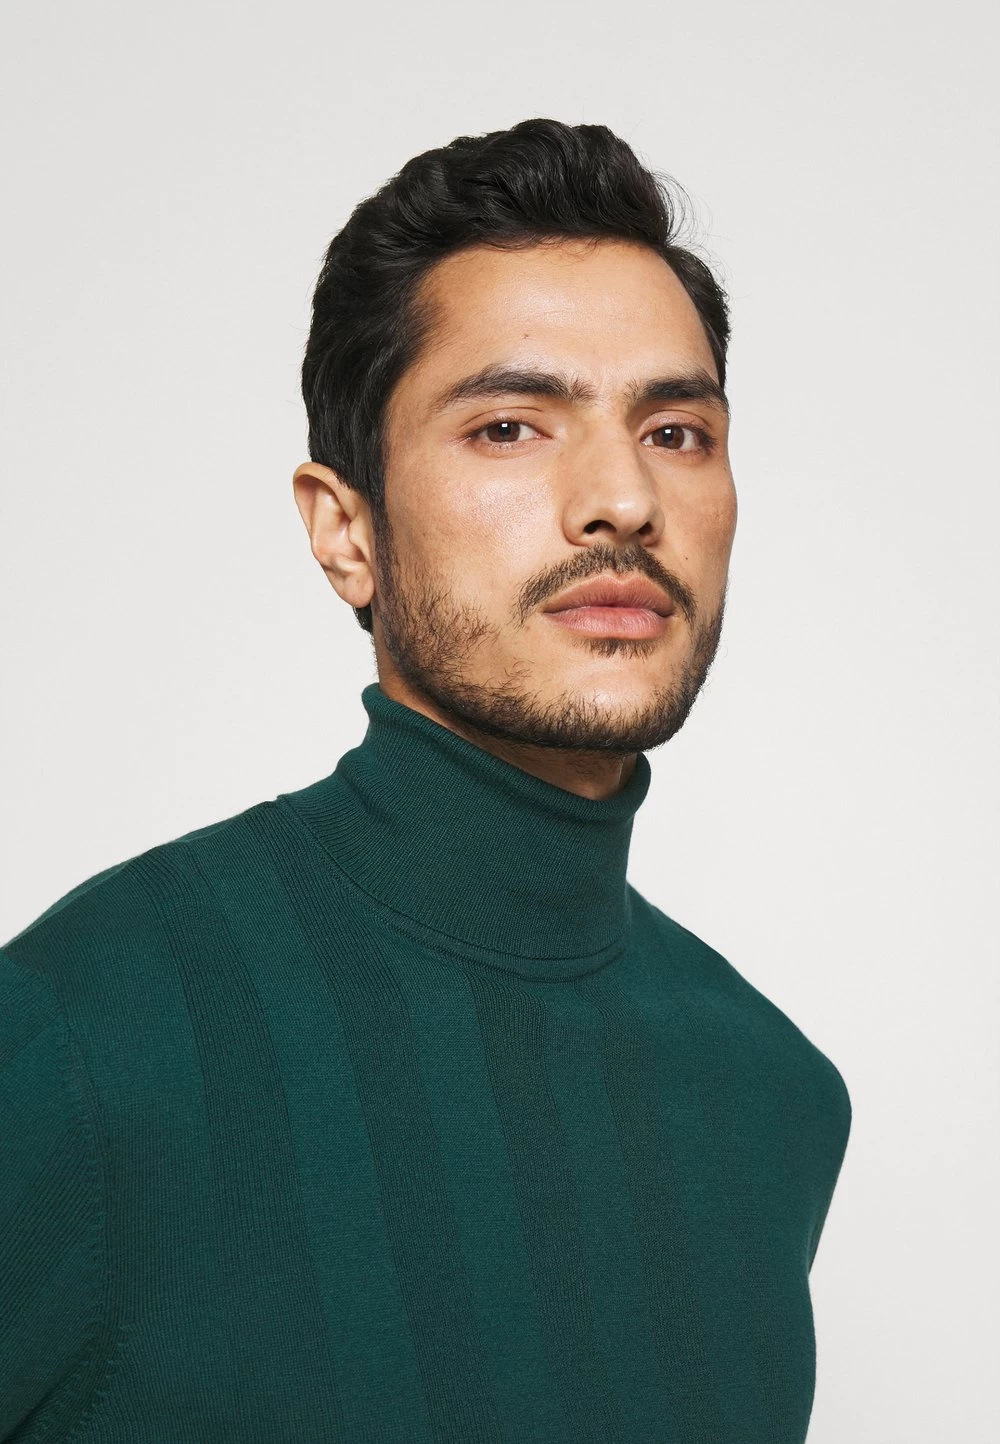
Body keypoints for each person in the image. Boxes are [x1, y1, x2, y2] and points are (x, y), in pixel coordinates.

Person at [0, 118, 851, 1443]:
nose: (622, 498)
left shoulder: (772, 1099)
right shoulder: (80, 1034)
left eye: (677, 430)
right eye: (510, 426)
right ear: (347, 532)